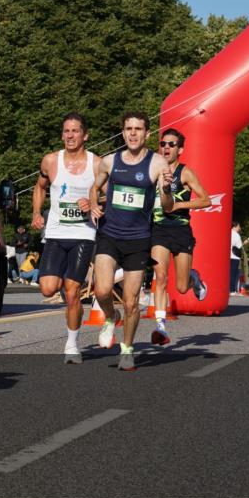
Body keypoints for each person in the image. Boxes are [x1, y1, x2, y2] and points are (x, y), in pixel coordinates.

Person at [89, 111, 173, 371]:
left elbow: (167, 206)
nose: (133, 133)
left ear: (147, 133)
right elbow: (95, 188)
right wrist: (93, 205)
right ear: (123, 132)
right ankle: (110, 317)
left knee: (131, 301)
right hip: (109, 234)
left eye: (138, 129)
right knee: (102, 291)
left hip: (138, 239)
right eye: (128, 129)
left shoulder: (157, 163)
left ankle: (127, 349)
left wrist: (166, 189)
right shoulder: (109, 161)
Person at [31, 113, 99, 362]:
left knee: (71, 292)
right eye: (66, 131)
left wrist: (92, 202)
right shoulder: (51, 160)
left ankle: (72, 344)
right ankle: (71, 291)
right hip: (56, 233)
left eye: (75, 131)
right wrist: (36, 212)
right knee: (48, 288)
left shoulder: (96, 164)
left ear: (85, 135)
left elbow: (109, 194)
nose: (70, 136)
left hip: (83, 234)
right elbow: (40, 187)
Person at [149, 128, 211, 345]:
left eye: (171, 144)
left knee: (182, 287)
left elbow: (206, 200)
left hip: (181, 230)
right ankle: (160, 327)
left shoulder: (185, 173)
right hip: (159, 230)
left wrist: (178, 205)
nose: (166, 148)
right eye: (163, 144)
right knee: (161, 277)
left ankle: (194, 278)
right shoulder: (153, 171)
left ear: (180, 150)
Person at [230, 222, 243, 294]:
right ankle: (232, 290)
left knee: (228, 273)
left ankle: (227, 289)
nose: (239, 228)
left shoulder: (228, 233)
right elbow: (239, 246)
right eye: (238, 226)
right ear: (235, 227)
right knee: (233, 274)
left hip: (227, 256)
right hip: (235, 256)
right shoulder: (237, 235)